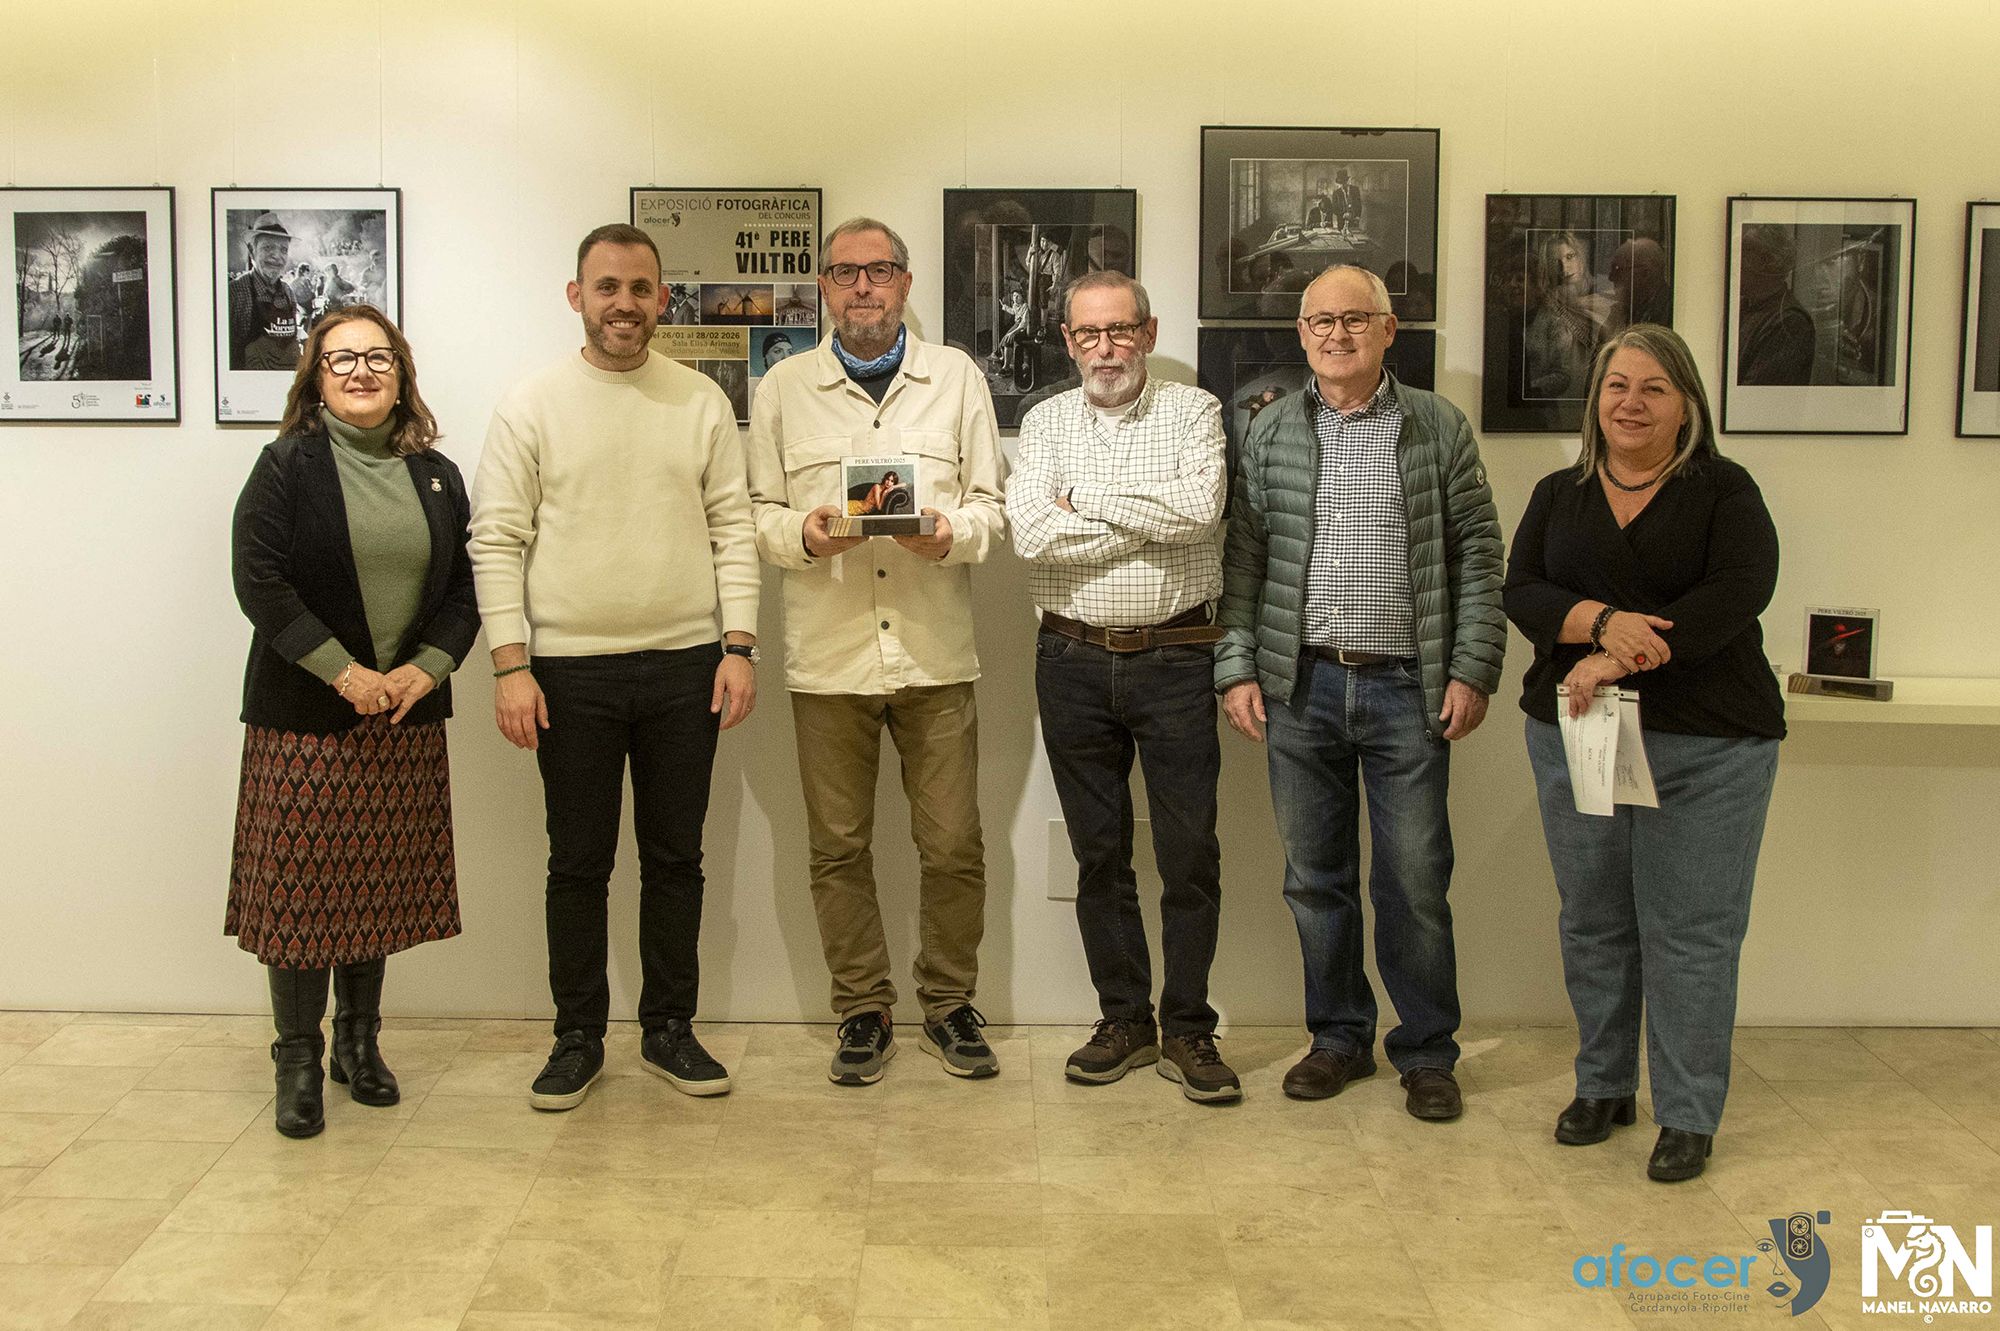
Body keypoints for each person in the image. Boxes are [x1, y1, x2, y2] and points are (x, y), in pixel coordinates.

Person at [470, 223, 759, 1111]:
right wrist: (509, 665)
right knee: (578, 864)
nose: (624, 304)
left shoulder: (701, 402)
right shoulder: (531, 403)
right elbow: (496, 537)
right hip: (569, 674)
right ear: (576, 296)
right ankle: (577, 1038)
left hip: (685, 666)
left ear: (661, 298)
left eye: (640, 288)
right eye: (607, 288)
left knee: (677, 860)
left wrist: (738, 646)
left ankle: (669, 1029)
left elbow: (734, 529)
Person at [1216, 264, 1505, 1122]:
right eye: (1320, 322)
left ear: (1389, 331)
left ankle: (1426, 1051)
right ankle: (1338, 1037)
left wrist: (1472, 666)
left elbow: (1479, 558)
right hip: (1299, 685)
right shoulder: (1270, 433)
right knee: (1316, 877)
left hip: (1407, 690)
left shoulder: (1438, 428)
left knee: (1414, 879)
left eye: (1355, 319)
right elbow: (1244, 563)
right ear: (1301, 335)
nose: (1336, 334)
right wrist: (1235, 666)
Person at [1502, 324, 1784, 1183]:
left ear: (1687, 403)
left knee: (1690, 932)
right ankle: (1604, 1085)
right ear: (1595, 398)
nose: (1631, 402)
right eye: (1617, 385)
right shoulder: (1560, 491)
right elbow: (1523, 588)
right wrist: (1597, 624)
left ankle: (1689, 1113)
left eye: (1653, 388)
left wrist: (1612, 654)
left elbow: (1738, 593)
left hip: (1708, 744)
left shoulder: (1724, 492)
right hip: (1578, 738)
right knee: (1593, 919)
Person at [746, 216, 1007, 1086]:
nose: (863, 286)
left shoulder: (957, 376)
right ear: (822, 286)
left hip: (935, 656)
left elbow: (990, 505)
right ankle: (862, 1009)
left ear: (905, 283)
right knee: (837, 847)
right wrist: (806, 537)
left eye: (880, 270)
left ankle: (950, 1003)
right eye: (845, 272)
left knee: (955, 846)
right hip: (830, 657)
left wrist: (949, 532)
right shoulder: (784, 386)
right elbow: (754, 512)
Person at [228, 305, 475, 1139]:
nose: (362, 371)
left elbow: (464, 594)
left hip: (400, 715)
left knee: (373, 888)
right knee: (300, 895)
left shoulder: (437, 473)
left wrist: (422, 670)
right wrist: (346, 673)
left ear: (402, 374)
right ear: (316, 378)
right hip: (306, 716)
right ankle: (296, 1058)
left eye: (378, 358)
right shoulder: (285, 466)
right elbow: (260, 582)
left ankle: (358, 1047)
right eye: (342, 360)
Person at [1008, 272, 1236, 1102]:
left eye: (1120, 330)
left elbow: (1200, 512)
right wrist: (1135, 516)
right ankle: (1124, 1019)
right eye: (1088, 334)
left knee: (1190, 854)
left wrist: (1087, 503)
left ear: (1147, 330)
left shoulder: (1193, 411)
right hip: (1070, 663)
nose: (1105, 348)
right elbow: (1030, 533)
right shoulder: (1043, 422)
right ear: (1068, 341)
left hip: (1176, 659)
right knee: (1099, 854)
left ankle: (1189, 1027)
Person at [228, 212, 303, 371]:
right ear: (251, 250)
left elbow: (291, 342)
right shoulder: (235, 292)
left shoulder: (288, 292)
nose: (277, 256)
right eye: (268, 247)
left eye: (284, 250)